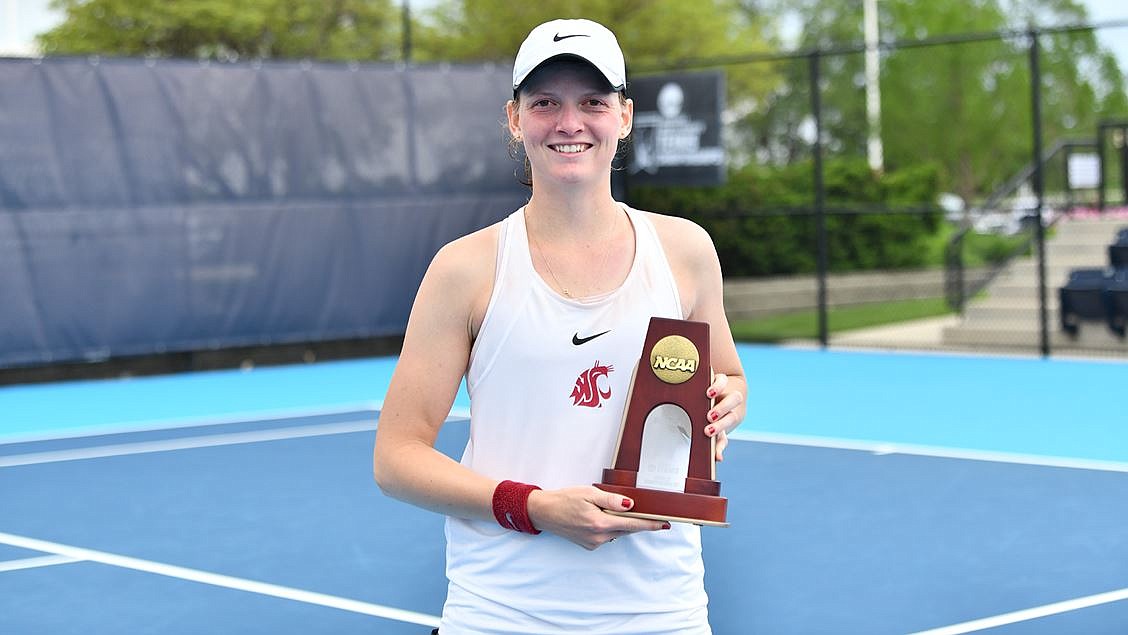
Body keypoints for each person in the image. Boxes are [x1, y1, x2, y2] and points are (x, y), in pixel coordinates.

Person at [373, 17, 747, 634]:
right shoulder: (464, 269)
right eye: (546, 103)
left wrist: (730, 399)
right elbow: (396, 457)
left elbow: (728, 375)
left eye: (592, 102)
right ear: (516, 120)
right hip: (501, 613)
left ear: (623, 117)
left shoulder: (685, 250)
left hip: (662, 611)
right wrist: (536, 508)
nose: (569, 123)